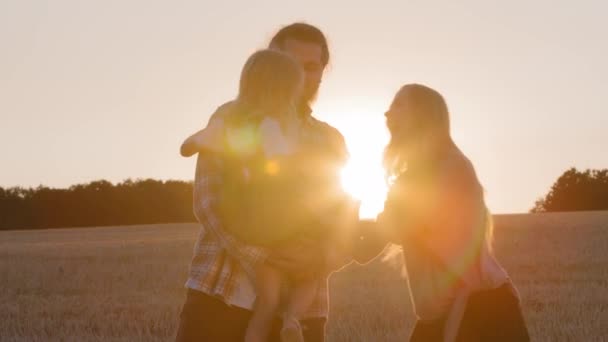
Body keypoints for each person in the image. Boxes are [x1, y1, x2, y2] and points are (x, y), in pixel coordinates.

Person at [175, 23, 357, 342]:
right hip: (218, 297)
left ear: (321, 73)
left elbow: (342, 221)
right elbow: (207, 202)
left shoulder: (330, 140)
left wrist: (318, 258)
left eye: (310, 67)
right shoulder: (230, 117)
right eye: (288, 64)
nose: (299, 76)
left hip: (301, 314)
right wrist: (262, 256)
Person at [356, 84, 530, 341]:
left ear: (423, 114)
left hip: (482, 310)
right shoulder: (416, 174)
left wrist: (339, 229)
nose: (387, 113)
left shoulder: (449, 167)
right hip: (451, 311)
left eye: (398, 105)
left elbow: (395, 227)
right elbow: (373, 243)